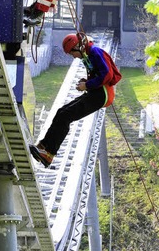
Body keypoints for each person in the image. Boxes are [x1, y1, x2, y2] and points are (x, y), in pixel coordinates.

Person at [30, 33, 121, 168]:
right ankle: (44, 146)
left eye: (72, 53)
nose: (73, 56)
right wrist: (87, 81)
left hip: (102, 94)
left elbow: (107, 74)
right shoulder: (89, 54)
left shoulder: (95, 52)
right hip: (97, 93)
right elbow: (99, 73)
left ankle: (49, 154)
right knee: (62, 112)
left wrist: (87, 85)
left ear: (78, 47)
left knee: (66, 116)